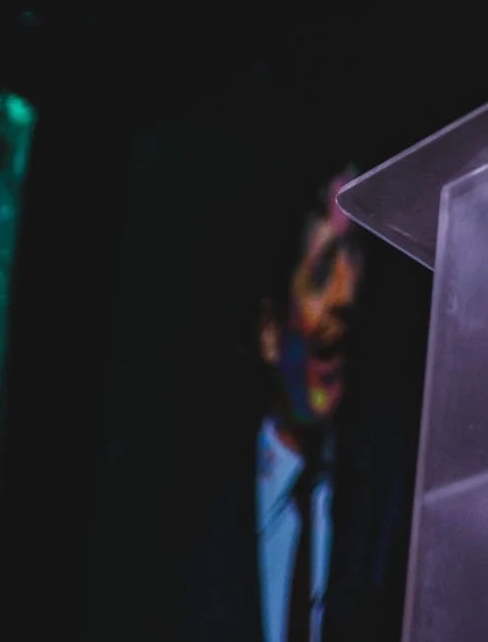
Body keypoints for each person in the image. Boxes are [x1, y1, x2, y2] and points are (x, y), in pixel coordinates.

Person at [184, 169, 416, 642]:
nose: (345, 296)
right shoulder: (199, 514)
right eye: (324, 270)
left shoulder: (388, 494)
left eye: (355, 265)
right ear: (270, 332)